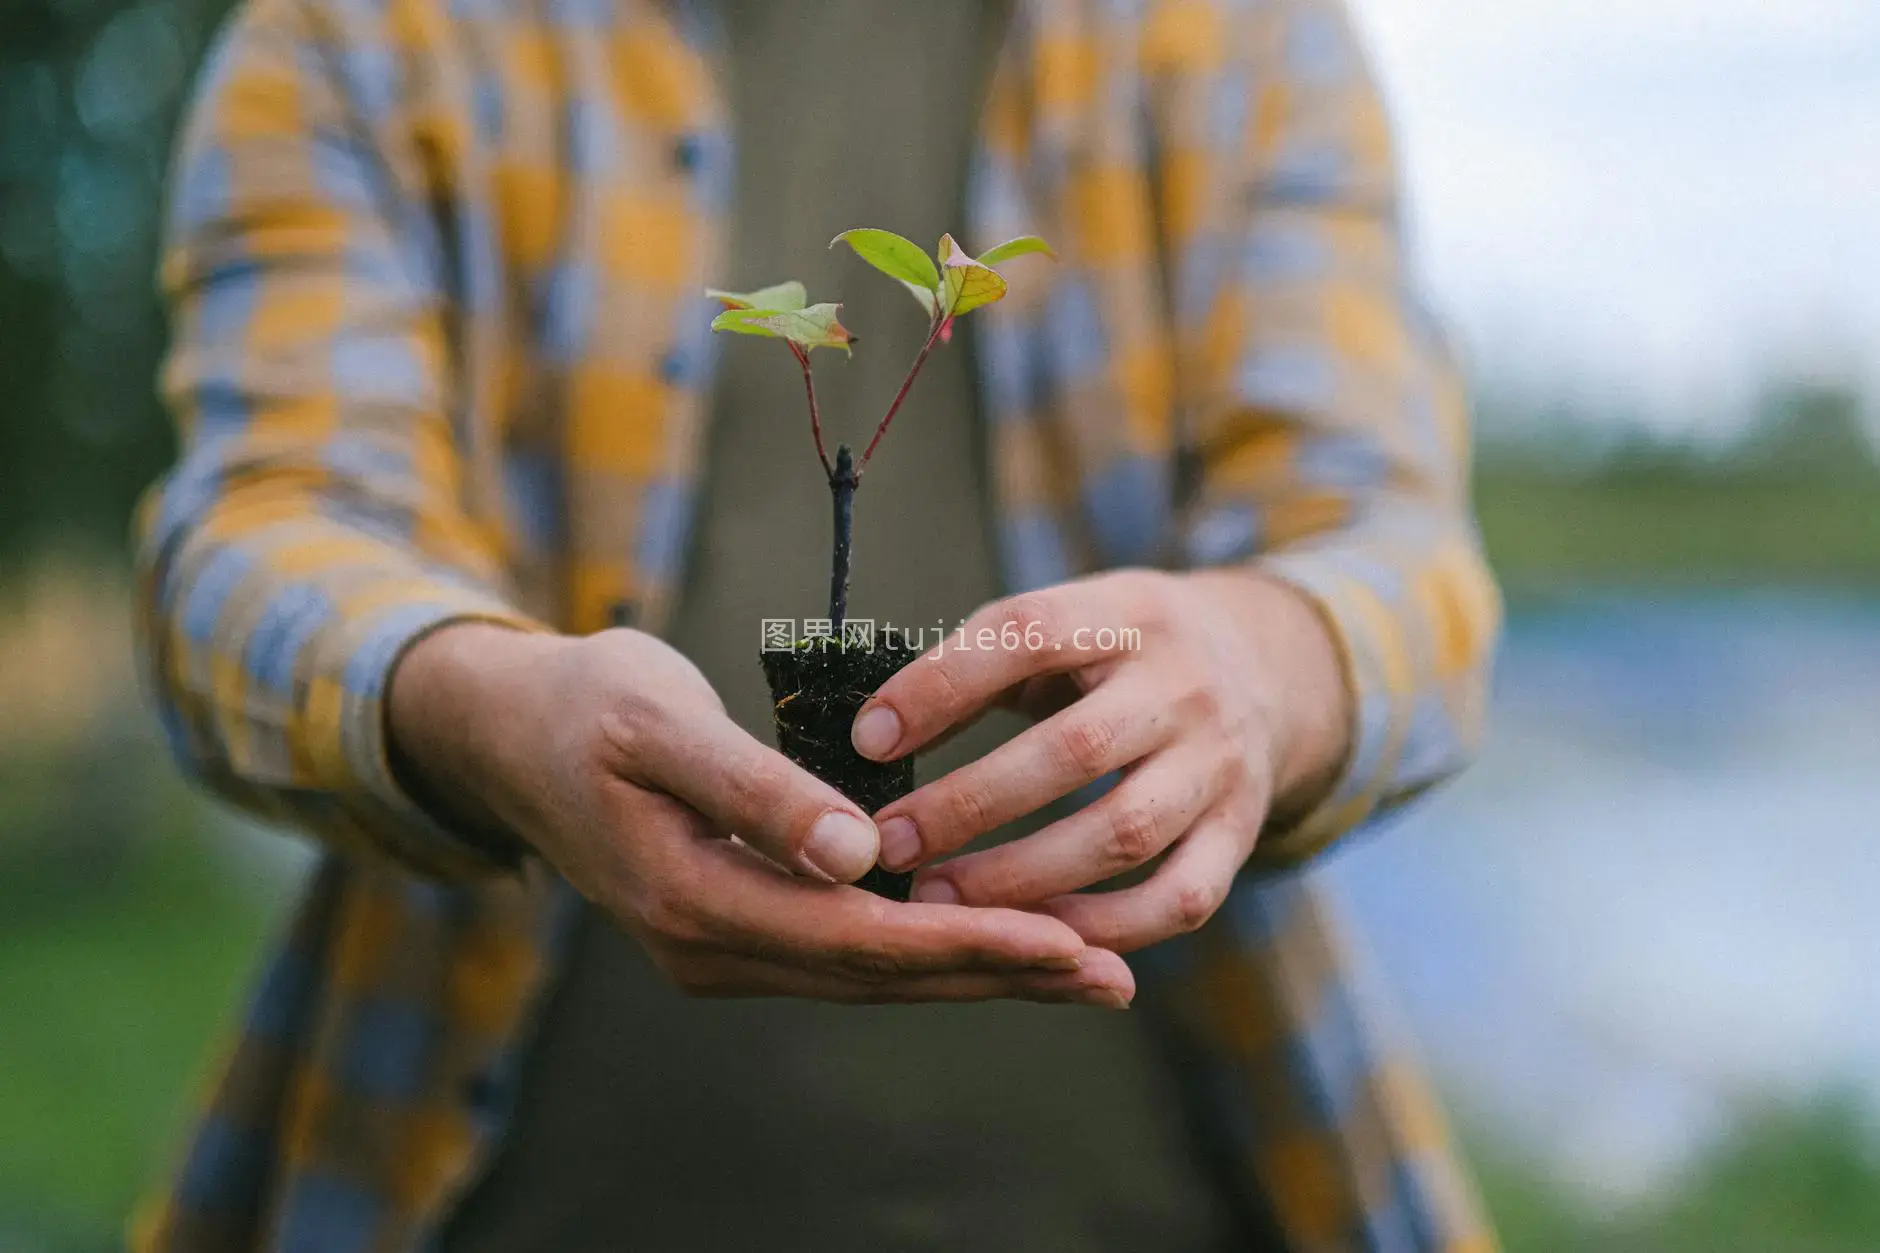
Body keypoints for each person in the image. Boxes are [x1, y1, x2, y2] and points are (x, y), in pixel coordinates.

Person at [132, 0, 1502, 1248]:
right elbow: (258, 535)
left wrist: (1261, 662)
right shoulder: (372, 29)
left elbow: (1398, 553)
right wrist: (475, 707)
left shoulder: (1230, 32)